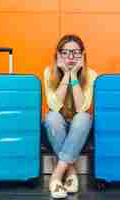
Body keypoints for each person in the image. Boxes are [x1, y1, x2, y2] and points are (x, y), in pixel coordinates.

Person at [43, 34, 97, 198]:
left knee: (83, 117)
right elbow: (54, 106)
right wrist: (66, 75)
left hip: (80, 130)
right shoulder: (49, 73)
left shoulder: (91, 75)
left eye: (75, 52)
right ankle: (71, 171)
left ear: (82, 54)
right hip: (56, 128)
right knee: (52, 117)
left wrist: (74, 76)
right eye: (65, 52)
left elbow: (82, 108)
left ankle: (57, 175)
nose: (71, 57)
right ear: (58, 55)